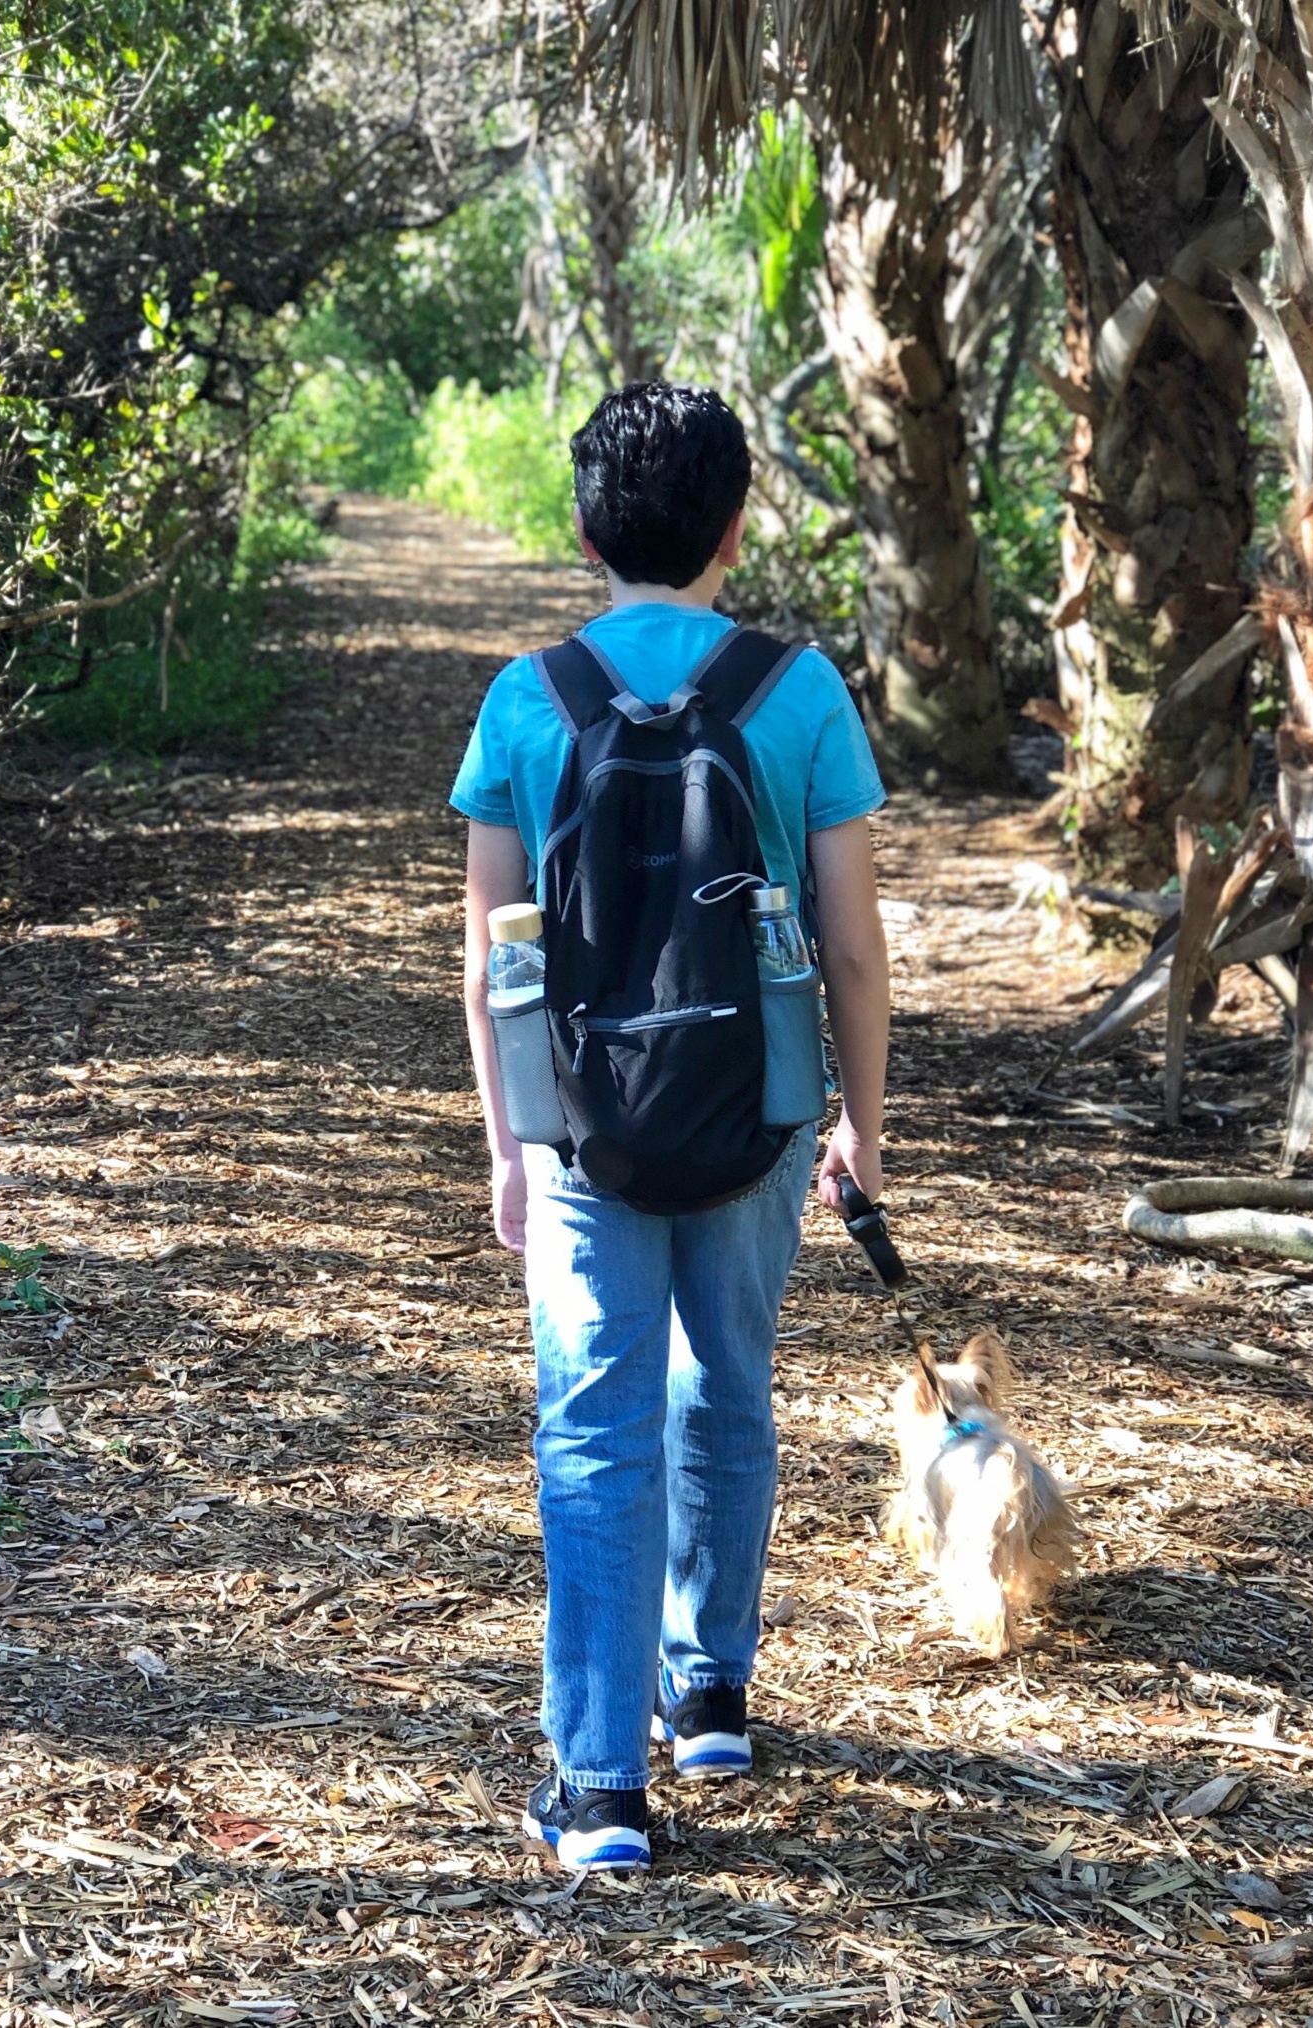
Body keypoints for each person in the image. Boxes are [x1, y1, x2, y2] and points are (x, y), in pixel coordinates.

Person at [451, 382, 891, 1871]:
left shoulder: (529, 697)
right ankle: (711, 1692)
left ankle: (598, 1785)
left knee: (594, 1425)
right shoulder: (800, 691)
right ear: (735, 523)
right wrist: (861, 1131)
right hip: (759, 1103)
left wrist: (512, 1145)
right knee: (731, 1386)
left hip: (582, 1117)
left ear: (588, 526)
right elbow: (852, 947)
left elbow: (497, 954)